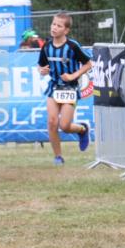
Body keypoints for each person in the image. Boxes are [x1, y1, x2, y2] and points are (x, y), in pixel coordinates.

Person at [37, 12, 93, 165]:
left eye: (59, 26)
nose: (54, 28)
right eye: (53, 24)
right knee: (52, 122)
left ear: (66, 30)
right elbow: (40, 65)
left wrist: (73, 75)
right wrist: (42, 70)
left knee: (65, 126)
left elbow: (89, 64)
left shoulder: (72, 46)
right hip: (54, 87)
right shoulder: (46, 46)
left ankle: (82, 129)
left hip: (70, 89)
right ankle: (58, 157)